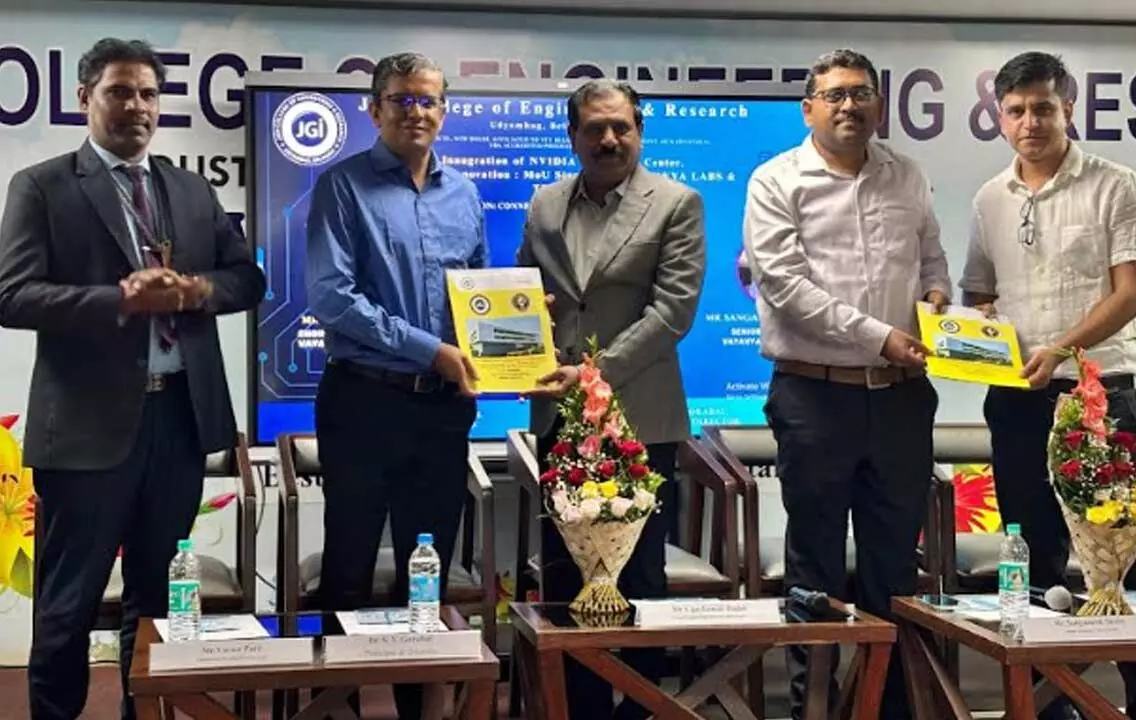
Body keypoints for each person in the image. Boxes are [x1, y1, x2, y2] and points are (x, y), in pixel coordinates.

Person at [0, 37, 265, 720]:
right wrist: (122, 300)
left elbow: (247, 279)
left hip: (178, 422)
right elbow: (13, 296)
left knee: (158, 599)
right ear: (85, 98)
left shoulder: (189, 188)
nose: (137, 107)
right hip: (86, 433)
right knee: (68, 605)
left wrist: (194, 289)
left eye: (148, 93)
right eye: (120, 91)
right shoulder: (43, 186)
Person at [743, 48, 950, 720]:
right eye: (834, 95)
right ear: (809, 108)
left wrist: (938, 298)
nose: (849, 106)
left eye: (861, 93)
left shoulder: (906, 175)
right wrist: (879, 336)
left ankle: (889, 708)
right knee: (816, 568)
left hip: (899, 398)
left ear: (879, 105)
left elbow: (930, 258)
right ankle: (815, 709)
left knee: (896, 568)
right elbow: (785, 287)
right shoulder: (776, 181)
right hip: (814, 396)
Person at [959, 51, 1136, 720]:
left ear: (1068, 108)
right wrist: (975, 334)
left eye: (1042, 107)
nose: (1029, 121)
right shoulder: (990, 198)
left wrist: (1060, 348)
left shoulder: (1116, 185)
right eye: (1014, 110)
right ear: (998, 117)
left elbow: (1132, 294)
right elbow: (980, 294)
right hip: (1017, 399)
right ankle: (1050, 705)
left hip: (1099, 391)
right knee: (1031, 551)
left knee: (1122, 553)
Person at [305, 52, 486, 719]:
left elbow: (476, 296)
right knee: (349, 566)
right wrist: (429, 350)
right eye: (402, 100)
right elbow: (331, 297)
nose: (417, 112)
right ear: (375, 108)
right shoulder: (341, 186)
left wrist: (498, 347)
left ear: (445, 110)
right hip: (363, 401)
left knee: (426, 571)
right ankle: (336, 707)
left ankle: (419, 710)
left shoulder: (463, 192)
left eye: (429, 100)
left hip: (441, 411)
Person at [519, 78, 705, 720]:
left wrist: (595, 373)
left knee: (639, 574)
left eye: (621, 127)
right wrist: (524, 330)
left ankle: (642, 708)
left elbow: (673, 312)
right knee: (567, 575)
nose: (609, 139)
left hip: (639, 417)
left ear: (639, 131)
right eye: (595, 128)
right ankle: (581, 707)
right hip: (558, 416)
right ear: (573, 136)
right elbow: (526, 294)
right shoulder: (545, 205)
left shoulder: (677, 203)